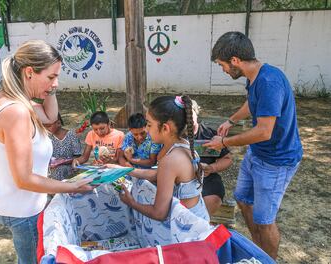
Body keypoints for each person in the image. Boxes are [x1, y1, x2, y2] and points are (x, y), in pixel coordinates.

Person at [0, 40, 94, 264]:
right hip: (23, 210)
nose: (56, 84)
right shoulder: (17, 112)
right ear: (29, 73)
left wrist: (48, 88)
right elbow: (24, 179)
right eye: (52, 77)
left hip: (10, 202)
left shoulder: (4, 98)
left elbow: (51, 117)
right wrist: (71, 186)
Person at [205, 31, 303, 259]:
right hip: (257, 155)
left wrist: (224, 142)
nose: (224, 70)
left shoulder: (270, 81)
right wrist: (231, 120)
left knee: (265, 220)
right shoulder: (255, 77)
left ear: (235, 61)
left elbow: (263, 131)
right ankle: (258, 248)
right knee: (242, 197)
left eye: (223, 65)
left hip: (276, 161)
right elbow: (252, 102)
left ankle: (266, 259)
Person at [118, 95, 210, 222]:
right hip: (196, 217)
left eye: (149, 125)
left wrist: (131, 202)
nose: (147, 130)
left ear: (165, 128)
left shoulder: (170, 159)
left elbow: (159, 213)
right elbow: (158, 175)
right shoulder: (181, 144)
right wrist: (123, 170)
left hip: (188, 225)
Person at [188, 100, 233, 216]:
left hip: (206, 177)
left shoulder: (209, 135)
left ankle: (201, 223)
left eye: (190, 113)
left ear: (196, 113)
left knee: (213, 199)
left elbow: (227, 159)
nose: (187, 118)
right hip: (180, 178)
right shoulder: (174, 135)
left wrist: (212, 168)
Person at [45, 113, 82, 180]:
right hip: (52, 168)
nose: (47, 129)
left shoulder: (71, 135)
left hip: (69, 167)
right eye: (45, 126)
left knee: (59, 170)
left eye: (49, 126)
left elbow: (78, 156)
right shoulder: (48, 137)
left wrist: (63, 162)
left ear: (58, 123)